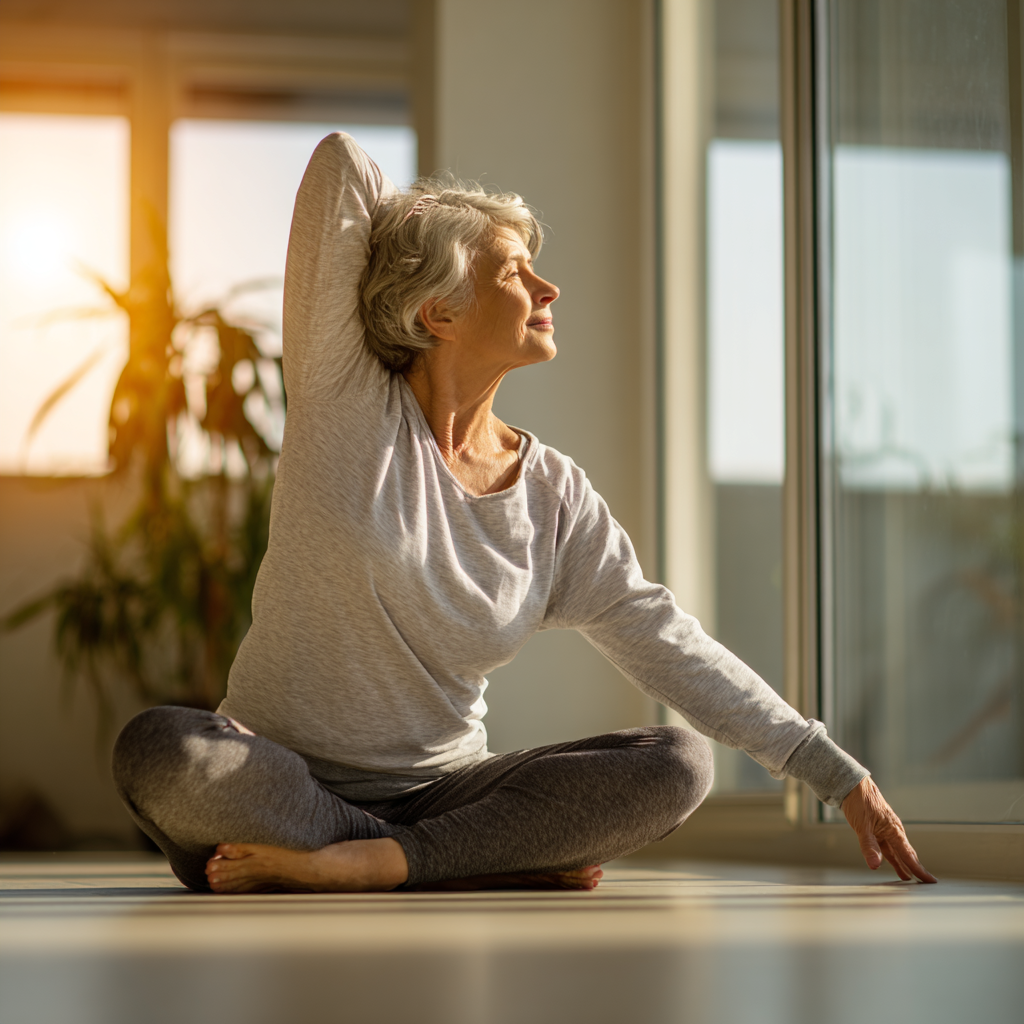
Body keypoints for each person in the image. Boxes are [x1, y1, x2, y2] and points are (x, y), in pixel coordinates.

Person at [111, 134, 936, 894]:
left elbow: (666, 641)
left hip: (446, 791)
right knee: (162, 752)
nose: (548, 287)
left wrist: (835, 770)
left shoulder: (552, 496)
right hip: (282, 774)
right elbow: (340, 165)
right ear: (435, 311)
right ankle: (460, 857)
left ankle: (373, 862)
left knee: (678, 765)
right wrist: (436, 227)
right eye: (513, 271)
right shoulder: (345, 402)